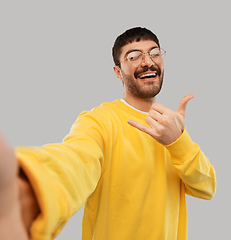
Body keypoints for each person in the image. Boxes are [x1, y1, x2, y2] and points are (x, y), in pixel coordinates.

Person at [0, 27, 216, 240]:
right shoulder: (100, 121)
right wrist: (26, 187)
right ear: (117, 71)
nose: (147, 62)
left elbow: (206, 188)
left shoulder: (171, 128)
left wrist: (178, 140)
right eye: (133, 56)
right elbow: (77, 160)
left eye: (154, 53)